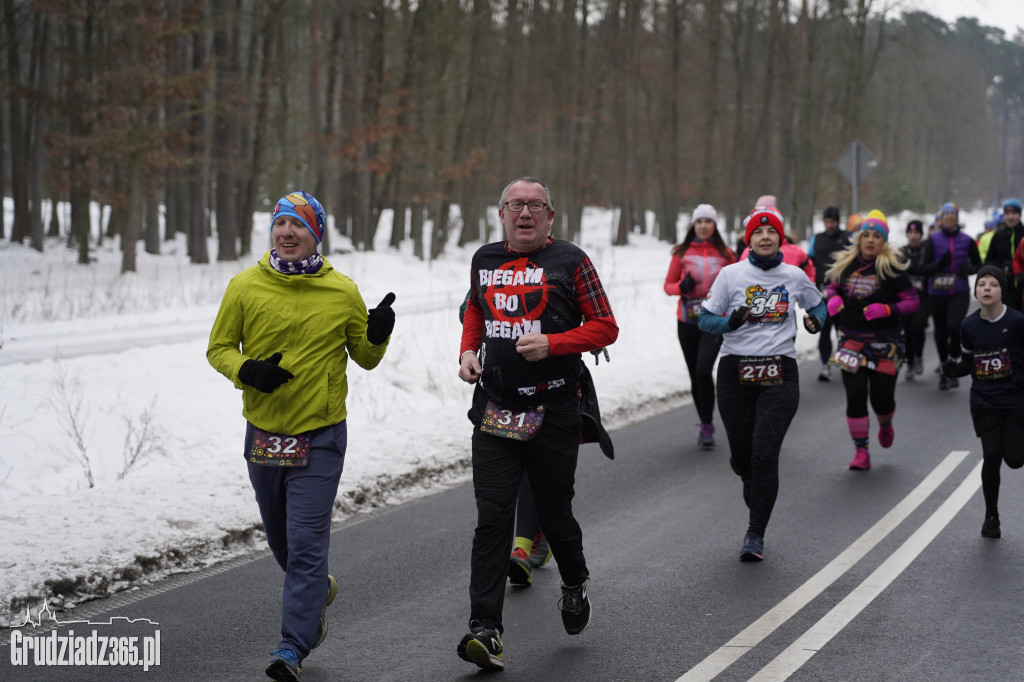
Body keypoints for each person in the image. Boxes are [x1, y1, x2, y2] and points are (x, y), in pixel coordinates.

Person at [207, 191, 395, 682]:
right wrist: (247, 370)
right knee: (281, 542)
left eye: (299, 226)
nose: (287, 233)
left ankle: (292, 646)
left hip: (321, 435)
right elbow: (219, 348)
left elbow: (366, 357)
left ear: (317, 235)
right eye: (280, 224)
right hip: (265, 434)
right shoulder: (245, 286)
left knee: (307, 543)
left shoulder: (341, 291)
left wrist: (377, 333)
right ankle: (316, 592)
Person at [456, 177, 618, 670]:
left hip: (554, 407)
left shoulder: (572, 261)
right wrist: (467, 351)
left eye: (535, 206)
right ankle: (486, 629)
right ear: (501, 214)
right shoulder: (485, 260)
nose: (525, 213)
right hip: (497, 407)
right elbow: (474, 311)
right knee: (493, 514)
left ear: (550, 217)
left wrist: (555, 343)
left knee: (553, 514)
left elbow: (606, 326)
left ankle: (574, 582)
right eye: (515, 205)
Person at [698, 206, 826, 561]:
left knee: (764, 453)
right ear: (748, 239)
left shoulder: (795, 275)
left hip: (779, 371)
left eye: (771, 232)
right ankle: (750, 482)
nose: (765, 237)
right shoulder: (730, 275)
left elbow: (819, 307)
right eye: (758, 232)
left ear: (780, 238)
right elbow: (706, 320)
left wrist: (815, 322)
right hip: (735, 372)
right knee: (743, 458)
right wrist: (730, 324)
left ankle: (755, 533)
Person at [824, 212, 919, 470]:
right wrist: (833, 298)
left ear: (884, 241)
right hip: (851, 340)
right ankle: (861, 451)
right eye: (865, 234)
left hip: (886, 344)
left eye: (876, 236)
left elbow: (912, 302)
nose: (870, 240)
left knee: (881, 399)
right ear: (858, 238)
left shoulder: (892, 268)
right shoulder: (846, 265)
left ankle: (886, 423)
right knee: (855, 395)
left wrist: (888, 309)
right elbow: (832, 287)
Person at [942, 266, 1024, 538]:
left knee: (1014, 459)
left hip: (1014, 401)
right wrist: (954, 368)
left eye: (993, 284)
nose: (987, 288)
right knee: (991, 456)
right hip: (983, 401)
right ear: (976, 292)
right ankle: (991, 516)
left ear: (1002, 291)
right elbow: (968, 362)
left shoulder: (1016, 322)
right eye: (982, 285)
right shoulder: (969, 325)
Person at [663, 203, 737, 447]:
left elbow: (737, 284)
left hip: (714, 320)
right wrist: (681, 287)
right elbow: (668, 286)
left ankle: (710, 421)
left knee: (704, 370)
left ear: (715, 225)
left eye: (708, 221)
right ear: (694, 225)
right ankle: (706, 424)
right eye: (699, 221)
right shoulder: (681, 252)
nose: (704, 226)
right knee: (695, 375)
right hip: (687, 321)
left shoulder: (725, 254)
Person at [921, 202, 982, 389]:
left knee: (955, 327)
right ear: (941, 218)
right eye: (946, 215)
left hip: (959, 291)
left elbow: (979, 265)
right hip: (937, 292)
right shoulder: (933, 240)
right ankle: (945, 368)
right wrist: (940, 263)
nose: (949, 218)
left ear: (957, 218)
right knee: (940, 331)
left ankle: (954, 361)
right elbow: (924, 268)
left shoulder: (966, 240)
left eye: (952, 215)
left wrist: (968, 270)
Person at [810, 206, 851, 381]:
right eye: (827, 222)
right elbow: (809, 261)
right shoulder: (816, 239)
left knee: (843, 330)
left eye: (832, 222)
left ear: (837, 222)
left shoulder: (848, 238)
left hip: (842, 293)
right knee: (824, 329)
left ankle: (845, 360)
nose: (829, 225)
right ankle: (826, 365)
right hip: (821, 292)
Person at [899, 220, 930, 379]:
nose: (913, 236)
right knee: (907, 330)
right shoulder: (901, 252)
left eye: (916, 233)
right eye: (910, 233)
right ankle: (910, 362)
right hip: (905, 298)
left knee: (917, 328)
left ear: (921, 234)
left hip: (923, 298)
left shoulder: (927, 251)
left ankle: (918, 356)